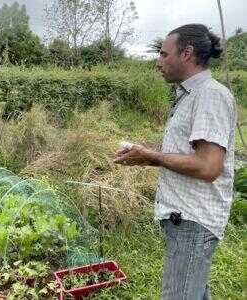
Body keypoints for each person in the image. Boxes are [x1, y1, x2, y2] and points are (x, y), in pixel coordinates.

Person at [113, 24, 236, 300]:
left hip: (194, 221)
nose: (158, 63)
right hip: (186, 220)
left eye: (163, 54)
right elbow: (189, 152)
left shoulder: (209, 95)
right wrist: (148, 154)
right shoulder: (191, 95)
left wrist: (152, 157)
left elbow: (208, 166)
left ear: (187, 53)